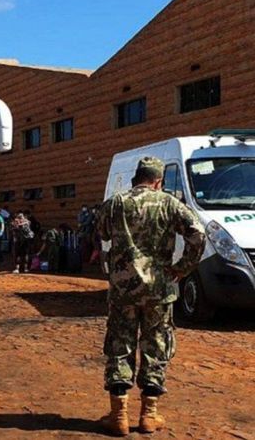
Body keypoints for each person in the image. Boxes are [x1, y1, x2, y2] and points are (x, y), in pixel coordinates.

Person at [96, 157, 205, 435]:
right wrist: (182, 268)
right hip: (159, 289)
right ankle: (149, 414)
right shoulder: (169, 203)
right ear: (158, 180)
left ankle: (118, 415)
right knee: (156, 347)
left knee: (120, 345)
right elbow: (198, 233)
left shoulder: (117, 202)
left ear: (137, 177)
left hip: (123, 290)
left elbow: (101, 231)